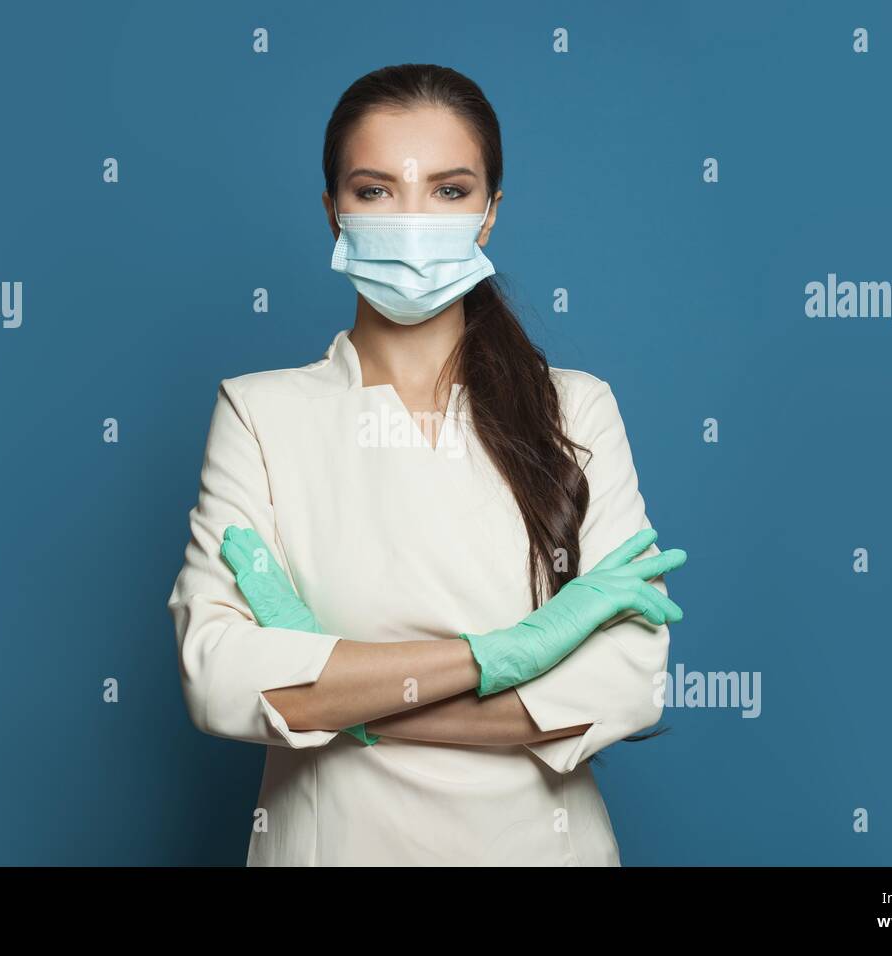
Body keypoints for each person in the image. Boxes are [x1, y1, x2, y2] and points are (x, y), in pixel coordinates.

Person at [167, 63, 686, 866]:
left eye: (448, 191)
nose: (412, 221)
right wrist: (509, 655)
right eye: (375, 191)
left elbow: (625, 685)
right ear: (332, 211)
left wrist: (332, 691)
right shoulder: (259, 413)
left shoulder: (576, 410)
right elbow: (219, 680)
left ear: (489, 214)